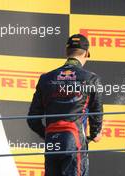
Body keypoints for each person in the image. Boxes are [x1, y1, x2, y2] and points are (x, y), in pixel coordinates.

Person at [27, 34, 103, 176]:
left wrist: (49, 134)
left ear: (66, 52)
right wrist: (95, 133)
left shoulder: (45, 78)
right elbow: (96, 114)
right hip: (74, 141)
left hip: (51, 142)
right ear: (86, 53)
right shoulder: (91, 79)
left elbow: (32, 119)